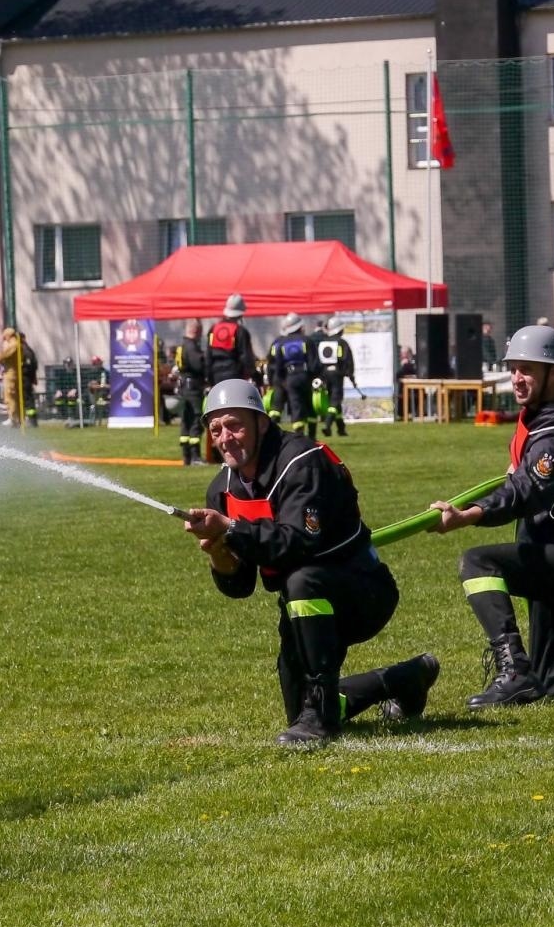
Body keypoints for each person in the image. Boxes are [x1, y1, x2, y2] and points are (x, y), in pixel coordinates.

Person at [183, 380, 440, 747]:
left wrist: (231, 529)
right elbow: (240, 586)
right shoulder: (221, 489)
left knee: (301, 580)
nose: (225, 438)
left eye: (235, 425)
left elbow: (299, 542)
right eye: (216, 429)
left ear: (262, 423)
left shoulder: (303, 462)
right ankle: (403, 680)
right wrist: (218, 552)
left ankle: (322, 717)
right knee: (298, 711)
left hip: (362, 591)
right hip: (303, 609)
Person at [431, 325, 554, 708]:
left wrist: (467, 515)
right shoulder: (538, 420)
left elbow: (523, 492)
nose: (517, 378)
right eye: (514, 369)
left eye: (528, 370)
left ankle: (513, 670)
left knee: (477, 563)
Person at [266, 312, 318, 439]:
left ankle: (298, 434)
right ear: (300, 327)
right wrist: (315, 377)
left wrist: (280, 380)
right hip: (305, 376)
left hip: (289, 378)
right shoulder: (307, 340)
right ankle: (312, 436)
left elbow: (278, 365)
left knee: (295, 404)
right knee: (309, 404)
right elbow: (314, 363)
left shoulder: (281, 343)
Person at [315, 315, 358, 437]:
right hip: (337, 375)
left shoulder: (323, 342)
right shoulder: (341, 343)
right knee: (335, 400)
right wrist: (350, 375)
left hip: (325, 374)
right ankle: (327, 425)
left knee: (334, 400)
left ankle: (341, 429)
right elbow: (347, 360)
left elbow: (318, 361)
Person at [206, 293, 259, 387]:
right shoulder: (240, 331)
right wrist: (254, 375)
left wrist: (209, 377)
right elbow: (246, 357)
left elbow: (208, 355)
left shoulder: (213, 330)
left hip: (216, 375)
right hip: (235, 375)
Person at [174, 319, 207, 465]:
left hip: (184, 387)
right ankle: (195, 457)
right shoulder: (191, 346)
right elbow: (198, 365)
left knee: (186, 420)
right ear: (196, 330)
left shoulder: (182, 345)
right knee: (195, 419)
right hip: (192, 388)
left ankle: (186, 456)